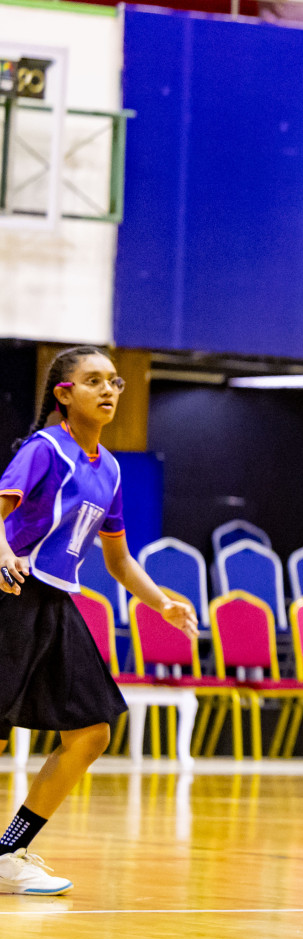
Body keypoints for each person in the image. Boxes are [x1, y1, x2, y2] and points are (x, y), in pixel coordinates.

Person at [0, 347, 198, 896]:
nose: (109, 390)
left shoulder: (108, 467)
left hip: (56, 603)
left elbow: (118, 559)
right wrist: (2, 553)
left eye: (114, 381)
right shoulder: (44, 450)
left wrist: (162, 603)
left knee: (90, 731)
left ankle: (7, 852)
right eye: (93, 381)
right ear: (64, 393)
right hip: (10, 596)